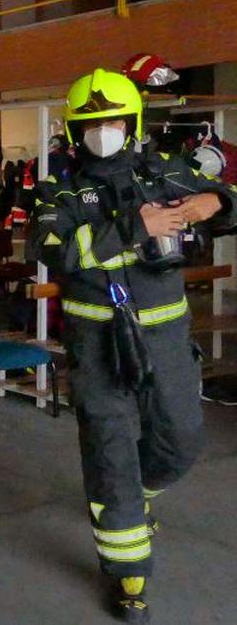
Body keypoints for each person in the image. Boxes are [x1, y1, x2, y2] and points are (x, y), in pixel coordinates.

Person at [28, 69, 237, 623]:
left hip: (164, 336)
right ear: (75, 131)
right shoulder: (59, 189)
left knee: (182, 440)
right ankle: (129, 579)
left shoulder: (166, 171)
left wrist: (213, 202)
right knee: (110, 453)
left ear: (135, 123)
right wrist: (131, 228)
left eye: (115, 121)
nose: (105, 131)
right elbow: (54, 250)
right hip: (97, 344)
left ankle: (140, 491)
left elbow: (229, 192)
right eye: (93, 124)